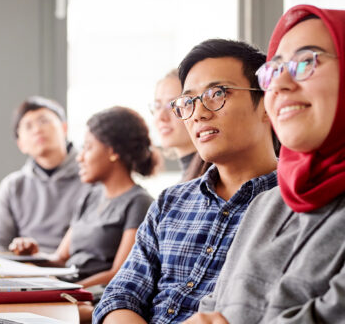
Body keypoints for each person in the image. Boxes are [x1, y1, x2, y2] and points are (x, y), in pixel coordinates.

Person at [93, 39, 278, 324]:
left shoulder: (293, 207)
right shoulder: (171, 202)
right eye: (188, 101)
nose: (199, 114)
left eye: (217, 93)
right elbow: (121, 295)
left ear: (267, 102)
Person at [186, 5, 345, 324]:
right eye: (274, 70)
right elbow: (212, 308)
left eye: (305, 61)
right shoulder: (266, 205)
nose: (280, 84)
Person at [10, 106, 155, 289]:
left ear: (113, 152)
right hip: (69, 288)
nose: (80, 158)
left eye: (88, 147)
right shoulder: (91, 197)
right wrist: (33, 255)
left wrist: (70, 290)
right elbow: (60, 259)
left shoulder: (139, 203)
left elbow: (119, 273)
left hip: (93, 297)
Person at [0, 96, 92, 253]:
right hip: (24, 270)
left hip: (75, 269)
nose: (37, 130)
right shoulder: (13, 185)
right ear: (20, 144)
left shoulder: (92, 177)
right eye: (28, 126)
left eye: (44, 121)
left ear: (64, 128)